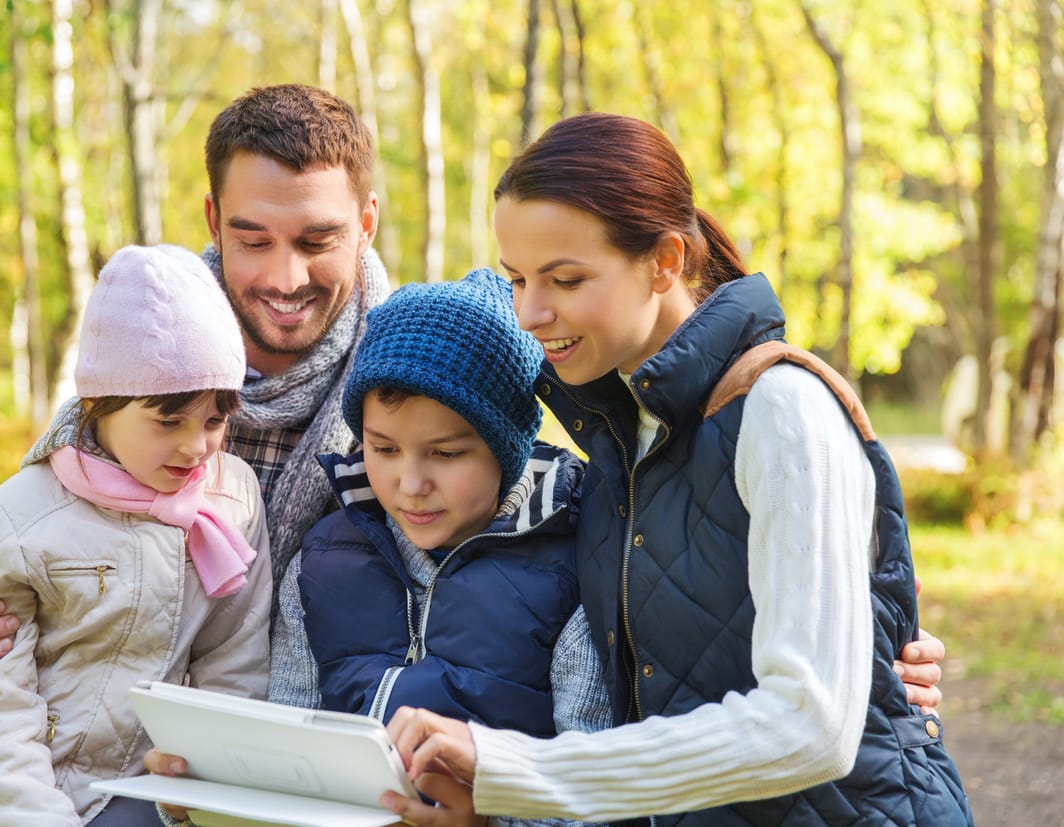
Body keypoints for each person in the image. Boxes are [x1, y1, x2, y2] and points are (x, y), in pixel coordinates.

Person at [380, 113, 973, 826]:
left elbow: (810, 723)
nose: (531, 312)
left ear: (664, 261)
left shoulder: (781, 408)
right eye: (518, 278)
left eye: (565, 279)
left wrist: (517, 769)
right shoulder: (616, 436)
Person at [0, 83, 391, 698]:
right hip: (116, 728)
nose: (284, 277)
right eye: (253, 240)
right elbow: (52, 532)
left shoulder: (403, 374)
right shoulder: (148, 342)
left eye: (317, 241)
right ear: (214, 221)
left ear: (367, 224)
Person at [150, 269, 611, 827]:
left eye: (445, 454)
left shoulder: (575, 572)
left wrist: (487, 821)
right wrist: (204, 798)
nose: (410, 483)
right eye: (384, 448)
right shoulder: (322, 562)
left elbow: (592, 798)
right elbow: (285, 752)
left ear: (507, 449)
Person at [0, 245, 273, 826]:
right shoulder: (24, 515)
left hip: (135, 786)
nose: (196, 447)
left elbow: (234, 656)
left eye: (215, 420)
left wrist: (203, 784)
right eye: (168, 420)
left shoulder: (231, 497)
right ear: (98, 404)